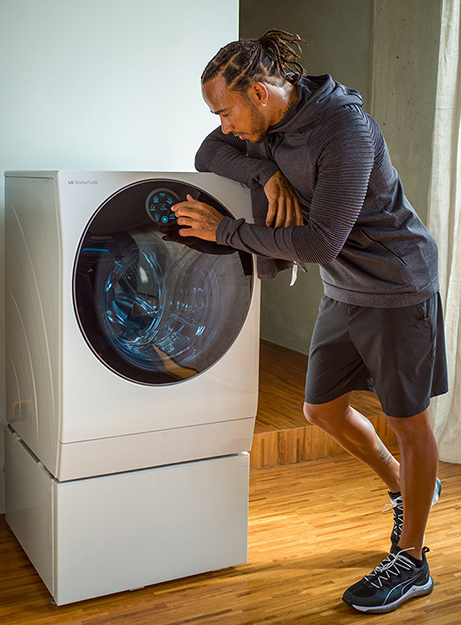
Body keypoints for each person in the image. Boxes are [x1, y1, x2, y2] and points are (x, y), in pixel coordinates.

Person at [171, 29, 448, 614]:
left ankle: (413, 558)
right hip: (347, 288)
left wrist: (222, 231)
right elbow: (207, 152)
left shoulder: (346, 132)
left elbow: (320, 241)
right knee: (320, 409)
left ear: (261, 93)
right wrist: (263, 174)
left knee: (410, 423)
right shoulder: (269, 129)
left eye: (226, 110)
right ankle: (405, 485)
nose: (224, 125)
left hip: (397, 287)